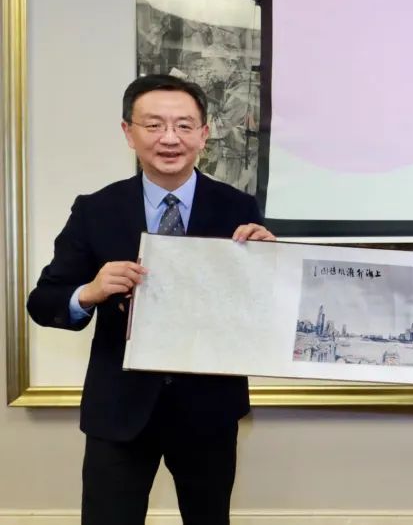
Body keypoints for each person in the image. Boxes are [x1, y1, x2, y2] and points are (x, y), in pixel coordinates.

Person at [27, 74, 275, 524]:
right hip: (118, 410)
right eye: (154, 125)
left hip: (208, 410)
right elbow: (43, 301)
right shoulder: (95, 209)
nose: (169, 138)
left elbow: (259, 311)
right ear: (128, 132)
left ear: (204, 133)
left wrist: (269, 267)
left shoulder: (238, 209)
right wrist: (90, 292)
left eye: (184, 125)